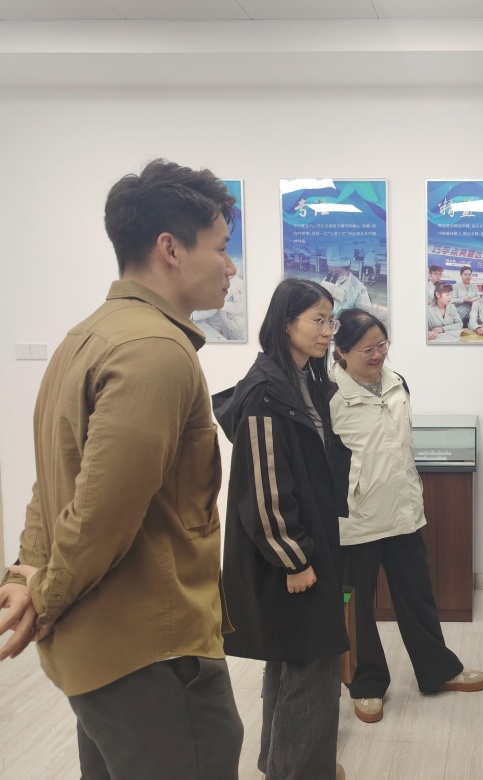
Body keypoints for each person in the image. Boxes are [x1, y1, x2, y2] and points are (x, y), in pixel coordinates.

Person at [0, 159, 244, 779]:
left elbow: (51, 483)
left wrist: (28, 574)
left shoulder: (88, 335)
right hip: (150, 653)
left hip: (102, 651)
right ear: (170, 248)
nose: (230, 267)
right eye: (221, 248)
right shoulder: (155, 351)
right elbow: (102, 511)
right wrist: (42, 595)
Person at [212, 278, 351, 780]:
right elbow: (264, 488)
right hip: (290, 555)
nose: (328, 331)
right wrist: (295, 558)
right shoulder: (266, 392)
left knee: (292, 660)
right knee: (313, 664)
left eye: (331, 320)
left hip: (306, 543)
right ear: (286, 323)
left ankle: (281, 764)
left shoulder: (302, 379)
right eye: (318, 320)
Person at [329, 308, 483, 725]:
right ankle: (366, 684)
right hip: (357, 519)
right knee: (357, 607)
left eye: (381, 345)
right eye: (366, 349)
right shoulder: (327, 393)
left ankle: (438, 671)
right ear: (341, 351)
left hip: (402, 512)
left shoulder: (397, 382)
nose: (377, 354)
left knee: (418, 596)